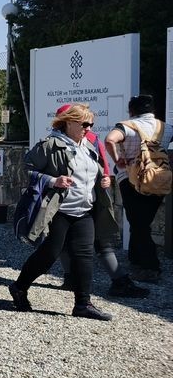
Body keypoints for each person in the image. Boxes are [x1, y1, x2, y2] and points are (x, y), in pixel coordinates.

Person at [9, 104, 117, 321]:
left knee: (84, 256)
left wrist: (103, 180)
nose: (88, 128)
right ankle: (19, 287)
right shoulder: (50, 144)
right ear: (68, 122)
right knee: (49, 254)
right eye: (84, 124)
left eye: (91, 124)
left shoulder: (89, 145)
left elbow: (93, 172)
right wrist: (52, 180)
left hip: (84, 210)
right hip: (58, 210)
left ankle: (83, 304)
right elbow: (26, 169)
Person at [55, 104, 148, 298]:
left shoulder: (60, 140)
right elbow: (103, 165)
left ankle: (72, 278)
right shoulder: (87, 138)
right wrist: (106, 177)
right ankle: (118, 281)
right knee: (100, 241)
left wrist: (105, 176)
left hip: (71, 199)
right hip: (88, 197)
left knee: (70, 242)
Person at [104, 94, 173, 283]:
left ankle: (151, 267)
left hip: (131, 179)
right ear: (152, 110)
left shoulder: (127, 126)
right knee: (142, 221)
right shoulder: (165, 127)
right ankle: (135, 258)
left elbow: (110, 139)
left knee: (139, 224)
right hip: (158, 179)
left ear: (131, 110)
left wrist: (118, 159)